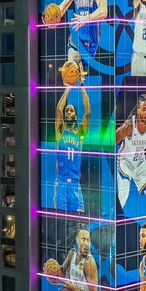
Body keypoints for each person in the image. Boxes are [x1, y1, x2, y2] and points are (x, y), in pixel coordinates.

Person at [53, 81, 90, 213]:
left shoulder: (80, 132)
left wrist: (81, 86)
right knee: (62, 220)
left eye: (71, 110)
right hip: (61, 181)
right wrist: (68, 89)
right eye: (67, 110)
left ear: (75, 115)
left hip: (75, 183)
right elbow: (58, 109)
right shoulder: (61, 131)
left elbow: (88, 112)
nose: (68, 112)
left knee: (78, 220)